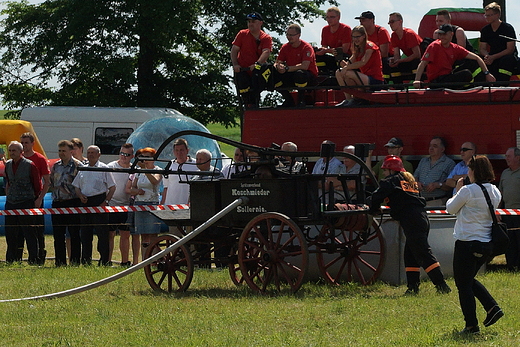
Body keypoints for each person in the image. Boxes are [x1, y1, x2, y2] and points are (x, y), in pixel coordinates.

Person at [370, 155, 451, 295]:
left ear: (391, 170)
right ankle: (412, 287)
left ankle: (442, 285)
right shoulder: (410, 181)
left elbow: (376, 197)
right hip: (421, 219)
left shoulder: (390, 181)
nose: (383, 173)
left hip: (411, 221)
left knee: (423, 253)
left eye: (384, 170)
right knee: (410, 254)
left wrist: (373, 208)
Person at [446, 155, 504, 334]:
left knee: (463, 284)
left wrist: (457, 190)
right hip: (486, 243)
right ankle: (492, 308)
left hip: (466, 242)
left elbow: (450, 209)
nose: (467, 172)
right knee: (468, 279)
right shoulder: (495, 190)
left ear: (474, 171)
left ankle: (471, 325)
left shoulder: (467, 191)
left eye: (469, 169)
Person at [413, 24, 495, 88]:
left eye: (444, 34)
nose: (441, 37)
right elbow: (423, 63)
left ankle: (475, 89)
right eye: (440, 34)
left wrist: (487, 74)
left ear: (451, 34)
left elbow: (477, 58)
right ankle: (466, 89)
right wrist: (417, 80)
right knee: (466, 74)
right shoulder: (434, 46)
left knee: (470, 66)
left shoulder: (455, 48)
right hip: (436, 81)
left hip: (448, 77)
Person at [72, 145, 116, 265]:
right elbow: (76, 186)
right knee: (85, 234)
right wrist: (80, 196)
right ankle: (86, 260)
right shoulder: (83, 168)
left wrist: (105, 202)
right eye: (89, 152)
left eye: (93, 153)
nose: (91, 155)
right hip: (85, 202)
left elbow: (112, 187)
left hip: (99, 201)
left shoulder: (104, 168)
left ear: (99, 155)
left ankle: (104, 260)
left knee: (102, 234)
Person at [3, 141, 42, 264]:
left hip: (26, 202)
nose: (11, 153)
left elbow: (37, 184)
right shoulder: (8, 165)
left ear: (21, 152)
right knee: (10, 232)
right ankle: (12, 258)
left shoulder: (30, 165)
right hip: (11, 202)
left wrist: (35, 199)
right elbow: (9, 181)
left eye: (14, 150)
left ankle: (33, 258)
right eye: (10, 150)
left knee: (29, 232)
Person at [49, 140, 83, 266]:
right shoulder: (56, 166)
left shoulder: (78, 165)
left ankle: (74, 262)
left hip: (73, 202)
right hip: (58, 203)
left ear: (71, 151)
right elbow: (52, 182)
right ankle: (60, 262)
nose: (61, 153)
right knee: (58, 235)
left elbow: (81, 184)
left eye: (64, 151)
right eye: (60, 151)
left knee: (74, 234)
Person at [231, 12, 272, 108]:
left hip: (256, 70)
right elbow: (234, 50)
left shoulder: (266, 38)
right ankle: (247, 104)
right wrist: (235, 64)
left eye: (253, 21)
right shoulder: (242, 34)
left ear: (260, 23)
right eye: (249, 22)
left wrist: (257, 64)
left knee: (258, 82)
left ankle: (255, 104)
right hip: (242, 69)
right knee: (242, 84)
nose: (250, 24)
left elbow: (266, 52)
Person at [335, 25, 384, 107]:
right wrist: (338, 58)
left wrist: (346, 68)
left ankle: (356, 99)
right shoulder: (357, 49)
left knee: (347, 73)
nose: (355, 39)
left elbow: (363, 62)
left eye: (358, 37)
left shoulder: (370, 46)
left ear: (364, 36)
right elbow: (348, 65)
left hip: (375, 80)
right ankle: (349, 99)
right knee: (338, 72)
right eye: (353, 37)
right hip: (364, 78)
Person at [20, 132, 50, 264]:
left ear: (32, 144)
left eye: (26, 143)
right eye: (22, 143)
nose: (24, 145)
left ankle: (39, 255)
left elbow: (47, 181)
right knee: (21, 229)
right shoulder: (18, 159)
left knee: (37, 228)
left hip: (36, 198)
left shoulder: (40, 159)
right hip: (21, 199)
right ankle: (19, 255)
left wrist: (40, 198)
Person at [128, 147, 162, 260]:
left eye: (148, 157)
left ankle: (155, 259)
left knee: (153, 235)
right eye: (143, 157)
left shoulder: (158, 169)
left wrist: (145, 169)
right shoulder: (138, 171)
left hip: (152, 203)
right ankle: (145, 260)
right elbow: (131, 188)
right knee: (143, 234)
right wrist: (137, 191)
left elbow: (155, 181)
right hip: (139, 204)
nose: (145, 160)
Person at [273, 23, 318, 107]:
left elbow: (304, 66)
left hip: (308, 77)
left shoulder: (306, 47)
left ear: (299, 35)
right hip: (291, 73)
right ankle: (288, 99)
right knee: (272, 74)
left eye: (292, 35)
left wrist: (286, 69)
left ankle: (301, 100)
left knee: (300, 74)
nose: (289, 37)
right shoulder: (285, 47)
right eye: (287, 34)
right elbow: (278, 62)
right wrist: (278, 67)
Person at [107, 143, 137, 267]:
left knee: (125, 234)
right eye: (122, 153)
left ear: (132, 156)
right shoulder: (110, 167)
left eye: (127, 154)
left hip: (127, 205)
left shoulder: (134, 170)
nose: (123, 156)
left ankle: (125, 262)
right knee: (110, 234)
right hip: (112, 204)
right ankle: (107, 261)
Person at [479, 2, 519, 82]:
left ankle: (502, 83)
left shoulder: (508, 28)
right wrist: (487, 56)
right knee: (478, 59)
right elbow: (482, 48)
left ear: (497, 15)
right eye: (486, 15)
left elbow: (510, 49)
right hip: (492, 56)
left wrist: (493, 57)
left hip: (507, 56)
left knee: (506, 60)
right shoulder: (485, 30)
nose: (487, 17)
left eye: (489, 15)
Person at [414, 136, 455, 205]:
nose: (431, 148)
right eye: (430, 146)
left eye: (435, 146)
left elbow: (451, 185)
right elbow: (415, 176)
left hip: (437, 201)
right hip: (421, 201)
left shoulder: (449, 163)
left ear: (442, 149)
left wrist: (438, 185)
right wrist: (417, 183)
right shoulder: (423, 161)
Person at [498, 147, 520, 271]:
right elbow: (500, 193)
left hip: (519, 213)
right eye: (506, 156)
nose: (506, 158)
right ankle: (511, 265)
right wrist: (497, 210)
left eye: (509, 156)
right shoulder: (505, 173)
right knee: (510, 240)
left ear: (518, 157)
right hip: (507, 213)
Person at [355, 11, 392, 81]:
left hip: (384, 58)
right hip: (368, 58)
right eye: (360, 21)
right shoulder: (362, 35)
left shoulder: (381, 31)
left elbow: (384, 54)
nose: (361, 23)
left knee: (385, 62)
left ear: (371, 20)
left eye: (363, 20)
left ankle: (384, 83)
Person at [388, 12, 422, 85]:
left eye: (392, 22)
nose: (390, 24)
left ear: (400, 22)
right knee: (392, 67)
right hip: (409, 60)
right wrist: (394, 61)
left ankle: (419, 86)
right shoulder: (394, 36)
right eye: (389, 22)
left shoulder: (409, 33)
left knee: (415, 63)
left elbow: (417, 54)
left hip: (422, 61)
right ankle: (398, 88)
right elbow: (396, 54)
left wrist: (401, 60)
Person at [315, 7, 351, 74]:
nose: (329, 20)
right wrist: (320, 50)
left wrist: (327, 50)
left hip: (344, 57)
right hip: (332, 55)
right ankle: (321, 74)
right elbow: (324, 47)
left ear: (338, 17)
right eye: (327, 17)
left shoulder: (346, 29)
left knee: (339, 55)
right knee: (317, 56)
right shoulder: (325, 29)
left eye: (332, 17)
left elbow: (344, 50)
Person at [161, 138, 196, 206]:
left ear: (187, 150)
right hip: (170, 206)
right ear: (173, 152)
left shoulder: (195, 165)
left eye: (181, 150)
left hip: (187, 207)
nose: (179, 153)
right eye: (177, 150)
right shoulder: (169, 165)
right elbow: (166, 187)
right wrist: (162, 205)